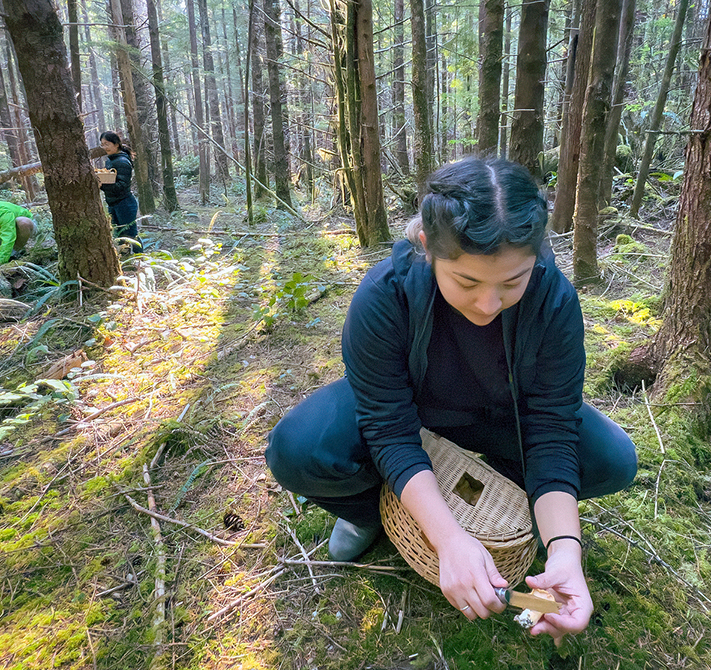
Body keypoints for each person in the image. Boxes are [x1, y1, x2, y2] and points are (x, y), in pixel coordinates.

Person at [266, 157, 638, 645]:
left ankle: (502, 510)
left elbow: (552, 430)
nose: (488, 304)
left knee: (612, 459)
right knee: (298, 448)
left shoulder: (554, 301)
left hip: (503, 417)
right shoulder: (384, 296)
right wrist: (448, 540)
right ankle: (370, 513)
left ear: (536, 258)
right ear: (427, 247)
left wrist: (566, 551)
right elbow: (388, 427)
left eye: (513, 282)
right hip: (411, 410)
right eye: (467, 282)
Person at [98, 131, 140, 247]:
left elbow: (122, 185)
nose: (105, 147)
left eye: (107, 144)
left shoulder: (122, 161)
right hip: (113, 203)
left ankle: (139, 256)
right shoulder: (110, 160)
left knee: (130, 236)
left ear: (116, 144)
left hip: (124, 204)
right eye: (102, 145)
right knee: (119, 236)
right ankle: (126, 256)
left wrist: (102, 185)